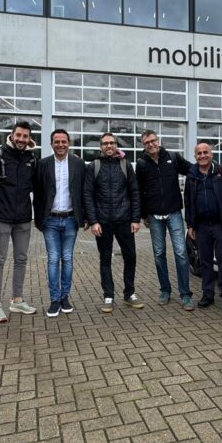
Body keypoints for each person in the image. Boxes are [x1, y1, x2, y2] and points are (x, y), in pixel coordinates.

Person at [0, 120, 39, 323]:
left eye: (25, 136)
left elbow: (36, 187)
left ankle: (17, 300)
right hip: (1, 217)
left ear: (29, 138)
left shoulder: (32, 158)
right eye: (18, 135)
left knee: (21, 259)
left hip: (23, 218)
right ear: (12, 135)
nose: (21, 139)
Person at [83, 132, 145, 312]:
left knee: (130, 257)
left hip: (124, 220)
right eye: (105, 143)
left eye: (112, 143)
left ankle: (129, 293)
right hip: (102, 222)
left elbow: (134, 192)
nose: (109, 146)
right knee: (105, 259)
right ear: (100, 146)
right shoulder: (93, 166)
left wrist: (135, 218)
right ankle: (108, 295)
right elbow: (88, 195)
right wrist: (93, 221)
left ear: (116, 145)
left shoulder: (125, 165)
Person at [136, 129, 194, 310]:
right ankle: (165, 290)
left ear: (158, 140)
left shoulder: (173, 157)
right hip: (154, 216)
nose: (151, 145)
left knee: (181, 253)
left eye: (153, 141)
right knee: (159, 254)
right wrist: (143, 215)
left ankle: (185, 294)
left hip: (174, 213)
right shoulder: (142, 164)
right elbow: (139, 191)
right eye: (147, 143)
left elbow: (193, 171)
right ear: (143, 145)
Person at [33, 128, 85, 318]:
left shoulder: (79, 164)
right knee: (54, 259)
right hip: (51, 220)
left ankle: (65, 297)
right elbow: (37, 193)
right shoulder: (43, 164)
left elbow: (84, 191)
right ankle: (55, 299)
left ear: (68, 143)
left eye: (64, 141)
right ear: (51, 144)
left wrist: (85, 217)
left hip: (71, 219)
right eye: (57, 141)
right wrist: (39, 219)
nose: (61, 145)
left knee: (67, 258)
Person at [184, 141, 222, 311]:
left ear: (211, 154)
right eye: (199, 153)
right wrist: (190, 224)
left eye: (205, 152)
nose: (203, 156)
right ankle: (207, 294)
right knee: (205, 262)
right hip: (201, 226)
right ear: (195, 157)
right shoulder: (191, 176)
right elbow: (188, 201)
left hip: (221, 225)